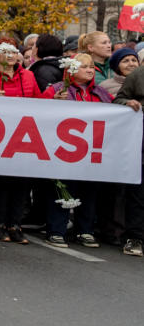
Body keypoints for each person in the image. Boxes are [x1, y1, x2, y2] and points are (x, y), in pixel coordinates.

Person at [41, 54, 112, 248]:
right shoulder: (56, 89)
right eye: (84, 66)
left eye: (91, 67)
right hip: (63, 151)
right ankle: (56, 230)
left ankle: (85, 230)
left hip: (91, 152)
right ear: (71, 69)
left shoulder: (101, 94)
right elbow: (38, 113)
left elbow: (115, 115)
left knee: (89, 191)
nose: (90, 70)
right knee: (63, 190)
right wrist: (53, 102)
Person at [0, 37, 42, 244]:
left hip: (24, 134)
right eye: (5, 52)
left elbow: (38, 101)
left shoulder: (28, 76)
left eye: (13, 51)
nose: (11, 55)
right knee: (2, 182)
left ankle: (15, 223)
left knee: (22, 181)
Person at [112, 57, 144, 257]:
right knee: (138, 194)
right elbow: (118, 99)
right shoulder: (137, 75)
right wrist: (127, 102)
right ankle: (135, 237)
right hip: (140, 141)